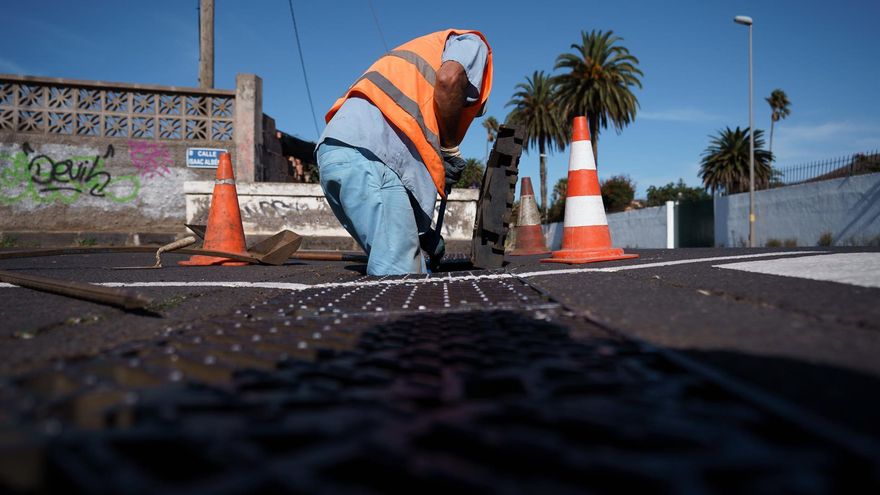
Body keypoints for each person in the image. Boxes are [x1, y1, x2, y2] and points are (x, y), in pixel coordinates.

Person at [316, 29, 493, 275]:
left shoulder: (421, 60)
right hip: (368, 158)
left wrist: (422, 233)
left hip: (335, 153)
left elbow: (393, 181)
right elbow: (450, 79)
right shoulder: (471, 42)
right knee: (400, 283)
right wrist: (449, 149)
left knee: (399, 264)